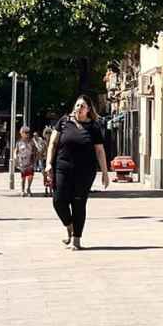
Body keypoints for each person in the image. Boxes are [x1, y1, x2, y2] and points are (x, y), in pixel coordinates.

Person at [44, 96, 110, 250]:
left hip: (85, 171)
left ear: (88, 110)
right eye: (78, 105)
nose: (79, 107)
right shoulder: (64, 121)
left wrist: (105, 173)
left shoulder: (93, 127)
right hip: (62, 167)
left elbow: (99, 151)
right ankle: (69, 226)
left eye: (83, 106)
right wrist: (48, 164)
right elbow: (53, 144)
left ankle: (76, 240)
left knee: (78, 203)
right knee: (58, 200)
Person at [13, 126, 41, 196]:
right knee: (23, 177)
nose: (27, 134)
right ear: (21, 133)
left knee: (30, 176)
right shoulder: (19, 142)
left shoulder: (32, 142)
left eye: (28, 132)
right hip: (22, 162)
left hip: (30, 161)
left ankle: (28, 188)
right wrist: (15, 158)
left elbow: (36, 150)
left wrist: (35, 159)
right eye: (25, 132)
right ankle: (22, 190)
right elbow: (15, 151)